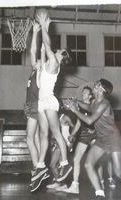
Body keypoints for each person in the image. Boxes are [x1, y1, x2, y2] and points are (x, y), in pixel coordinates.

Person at [66, 79, 121, 200]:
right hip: (101, 140)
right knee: (88, 164)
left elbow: (90, 120)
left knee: (119, 173)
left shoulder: (104, 104)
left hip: (113, 140)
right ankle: (99, 194)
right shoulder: (95, 102)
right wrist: (76, 102)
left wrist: (75, 110)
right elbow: (87, 106)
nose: (94, 86)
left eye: (97, 85)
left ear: (102, 90)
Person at [31, 11, 72, 186]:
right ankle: (40, 165)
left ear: (62, 57)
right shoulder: (48, 62)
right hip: (41, 102)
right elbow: (41, 49)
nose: (58, 50)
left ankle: (65, 163)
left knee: (56, 132)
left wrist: (45, 26)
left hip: (49, 100)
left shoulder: (55, 63)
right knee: (43, 134)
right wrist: (38, 31)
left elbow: (47, 45)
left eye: (61, 51)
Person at [26, 21, 50, 193]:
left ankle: (38, 168)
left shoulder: (42, 72)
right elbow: (32, 51)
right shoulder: (36, 69)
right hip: (30, 104)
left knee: (29, 138)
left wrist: (44, 31)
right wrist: (35, 32)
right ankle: (37, 169)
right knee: (33, 139)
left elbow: (39, 50)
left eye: (40, 61)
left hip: (35, 105)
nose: (36, 61)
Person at [46, 112, 77, 191]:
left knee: (60, 165)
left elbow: (74, 127)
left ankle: (63, 184)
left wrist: (72, 141)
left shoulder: (65, 117)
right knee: (52, 165)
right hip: (57, 144)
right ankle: (59, 182)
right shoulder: (52, 118)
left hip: (64, 144)